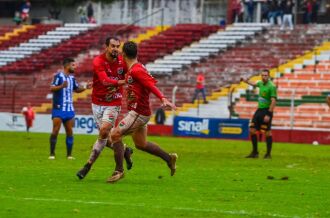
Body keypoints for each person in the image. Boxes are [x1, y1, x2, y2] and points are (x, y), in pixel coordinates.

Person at [107, 41, 178, 183]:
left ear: (124, 54)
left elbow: (150, 85)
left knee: (114, 135)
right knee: (141, 144)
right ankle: (168, 158)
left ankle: (119, 170)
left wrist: (163, 98)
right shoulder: (135, 68)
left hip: (138, 112)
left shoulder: (136, 70)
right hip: (141, 111)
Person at [76, 37, 133, 180]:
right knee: (105, 137)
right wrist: (123, 81)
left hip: (114, 102)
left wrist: (129, 84)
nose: (115, 49)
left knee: (104, 130)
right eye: (113, 46)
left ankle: (87, 166)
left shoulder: (122, 62)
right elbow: (105, 81)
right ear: (106, 47)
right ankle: (125, 151)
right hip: (97, 102)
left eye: (117, 46)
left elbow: (131, 74)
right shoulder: (98, 61)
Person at [49, 58, 91, 160]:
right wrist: (61, 86)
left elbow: (77, 89)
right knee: (55, 131)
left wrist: (85, 87)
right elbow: (52, 88)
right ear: (67, 66)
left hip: (69, 109)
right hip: (58, 108)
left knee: (70, 131)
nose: (74, 67)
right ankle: (52, 154)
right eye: (73, 65)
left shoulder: (72, 79)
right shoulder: (58, 76)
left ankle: (69, 155)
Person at [241, 69, 277, 159]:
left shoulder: (272, 86)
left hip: (267, 110)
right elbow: (253, 83)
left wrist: (269, 114)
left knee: (267, 132)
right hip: (259, 110)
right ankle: (255, 152)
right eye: (263, 75)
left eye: (266, 75)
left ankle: (268, 154)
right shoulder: (260, 83)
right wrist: (245, 80)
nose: (264, 77)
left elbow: (273, 101)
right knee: (252, 130)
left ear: (269, 76)